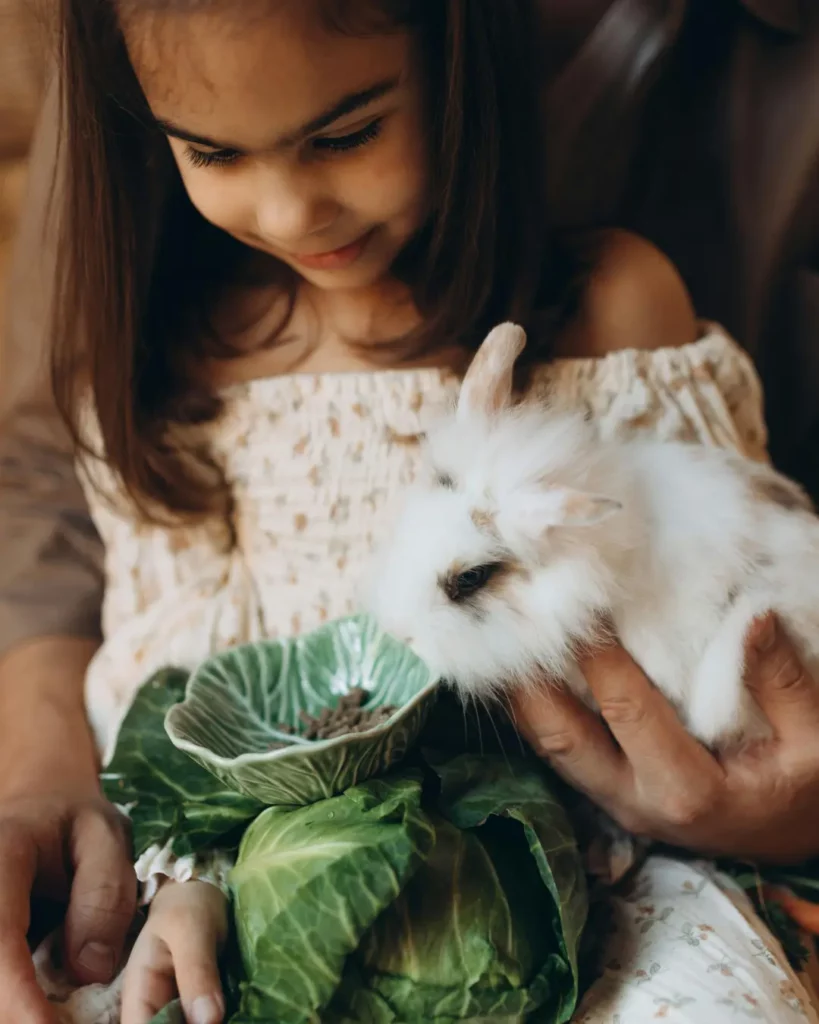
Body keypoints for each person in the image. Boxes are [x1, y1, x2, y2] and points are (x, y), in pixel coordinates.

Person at [1, 0, 818, 1021]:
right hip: (274, 873)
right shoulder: (184, 374)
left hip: (623, 883)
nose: (294, 213)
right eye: (212, 152)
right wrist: (198, 873)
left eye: (346, 134)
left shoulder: (616, 316)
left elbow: (739, 600)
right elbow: (175, 699)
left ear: (459, 63)